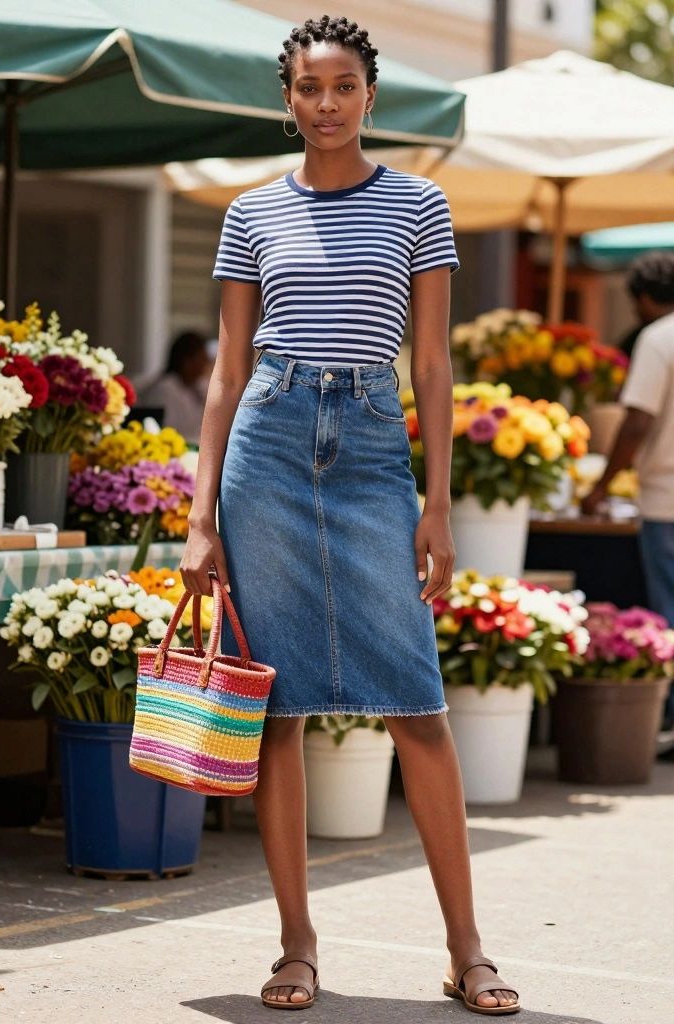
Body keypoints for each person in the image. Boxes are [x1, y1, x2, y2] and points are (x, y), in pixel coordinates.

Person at [180, 16, 519, 1015]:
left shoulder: (418, 203)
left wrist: (437, 503)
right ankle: (297, 946)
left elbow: (432, 363)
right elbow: (226, 374)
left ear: (371, 95)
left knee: (416, 703)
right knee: (277, 708)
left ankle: (466, 949)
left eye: (341, 86)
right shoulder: (250, 212)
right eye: (306, 87)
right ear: (286, 100)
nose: (324, 103)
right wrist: (200, 516)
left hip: (372, 448)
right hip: (269, 447)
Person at [584, 251, 674, 720]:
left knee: (670, 615)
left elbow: (638, 421)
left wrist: (601, 487)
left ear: (644, 298)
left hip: (666, 501)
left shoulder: (658, 339)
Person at [137, 331, 214, 443]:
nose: (205, 362)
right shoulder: (165, 389)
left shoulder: (199, 387)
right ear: (186, 361)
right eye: (201, 357)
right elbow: (168, 431)